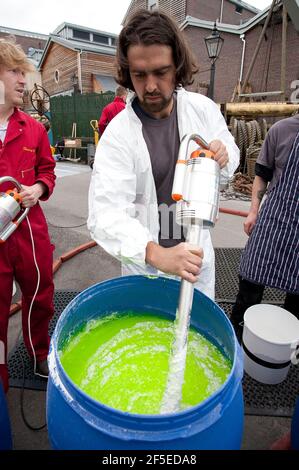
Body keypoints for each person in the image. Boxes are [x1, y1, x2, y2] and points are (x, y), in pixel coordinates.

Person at [88, 10, 239, 299]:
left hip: (196, 256)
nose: (151, 86)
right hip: (146, 266)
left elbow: (230, 155)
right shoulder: (119, 135)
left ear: (177, 66)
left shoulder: (202, 110)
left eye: (161, 72)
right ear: (128, 74)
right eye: (140, 75)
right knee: (148, 337)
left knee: (195, 336)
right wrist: (156, 254)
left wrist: (223, 156)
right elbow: (105, 214)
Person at [0, 37, 56, 392]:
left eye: (25, 72)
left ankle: (39, 352)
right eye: (15, 71)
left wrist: (39, 188)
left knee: (40, 293)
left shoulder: (34, 128)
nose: (24, 80)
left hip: (30, 232)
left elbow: (48, 170)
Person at [231, 114, 299, 340]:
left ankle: (287, 347)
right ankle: (238, 337)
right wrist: (253, 211)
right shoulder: (281, 130)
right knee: (251, 279)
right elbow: (261, 175)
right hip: (275, 219)